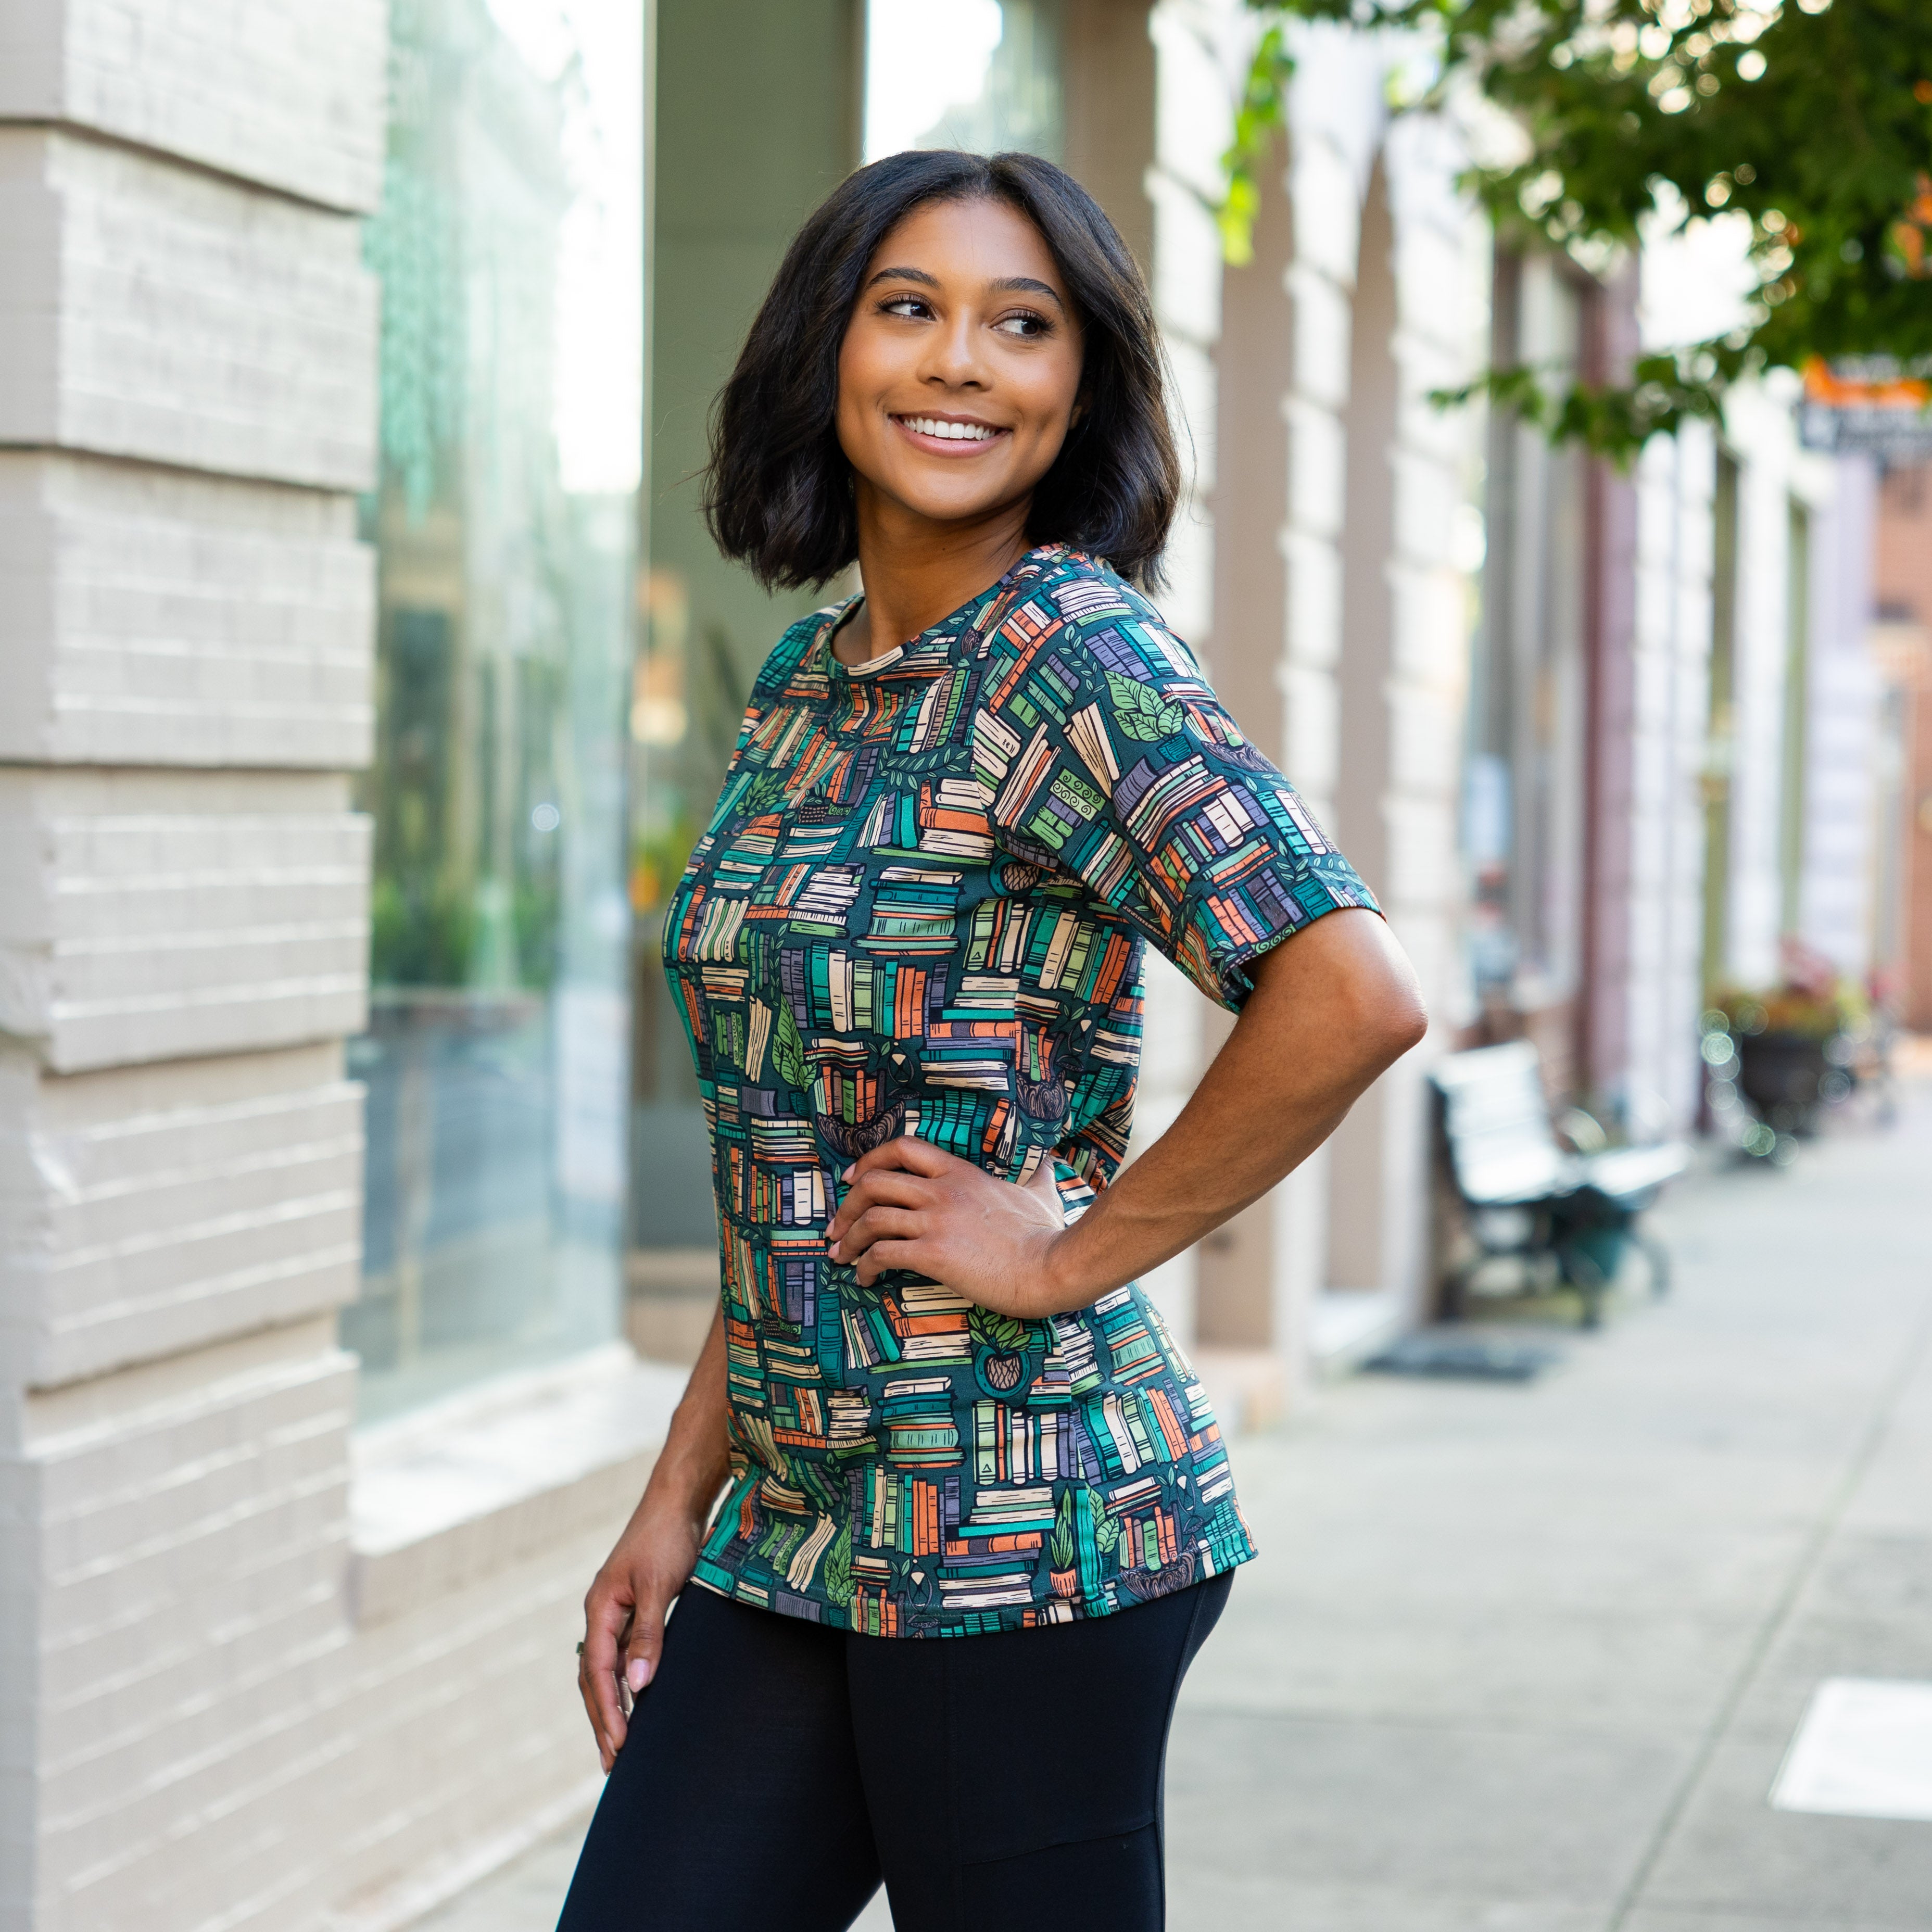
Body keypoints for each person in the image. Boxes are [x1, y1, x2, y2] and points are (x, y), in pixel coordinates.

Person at [560, 148, 1425, 1932]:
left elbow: (1351, 990)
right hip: (801, 1527)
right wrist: (678, 1496)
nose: (960, 360)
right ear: (828, 349)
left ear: (1078, 386)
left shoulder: (1072, 658)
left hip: (1018, 1526)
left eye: (1021, 326)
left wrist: (1063, 1253)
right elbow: (793, 1153)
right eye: (911, 309)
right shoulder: (813, 682)